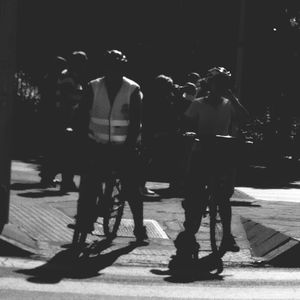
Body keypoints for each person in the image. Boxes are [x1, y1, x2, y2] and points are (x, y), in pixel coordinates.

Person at [173, 66, 249, 260]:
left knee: (223, 197)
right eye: (218, 84)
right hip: (202, 152)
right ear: (210, 85)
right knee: (195, 194)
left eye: (225, 85)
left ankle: (227, 236)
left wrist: (232, 97)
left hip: (222, 153)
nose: (221, 88)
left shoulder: (228, 103)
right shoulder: (198, 103)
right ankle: (190, 232)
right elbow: (187, 123)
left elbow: (244, 118)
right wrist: (189, 134)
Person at [74, 49, 147, 243]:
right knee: (89, 185)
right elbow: (82, 115)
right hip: (97, 145)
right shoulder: (93, 86)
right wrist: (81, 139)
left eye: (118, 67)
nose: (114, 71)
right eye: (110, 67)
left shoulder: (132, 89)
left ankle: (139, 228)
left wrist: (130, 147)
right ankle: (85, 220)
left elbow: (136, 122)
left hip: (124, 147)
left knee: (131, 189)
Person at [57, 50, 89, 193]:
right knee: (68, 151)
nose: (84, 65)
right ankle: (66, 181)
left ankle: (66, 180)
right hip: (66, 117)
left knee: (68, 152)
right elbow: (67, 96)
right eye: (82, 62)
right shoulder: (68, 76)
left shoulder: (74, 76)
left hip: (70, 117)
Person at [39, 56, 68, 187]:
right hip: (54, 118)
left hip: (47, 117)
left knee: (49, 148)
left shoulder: (47, 78)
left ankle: (46, 175)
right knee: (53, 148)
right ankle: (47, 176)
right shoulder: (56, 80)